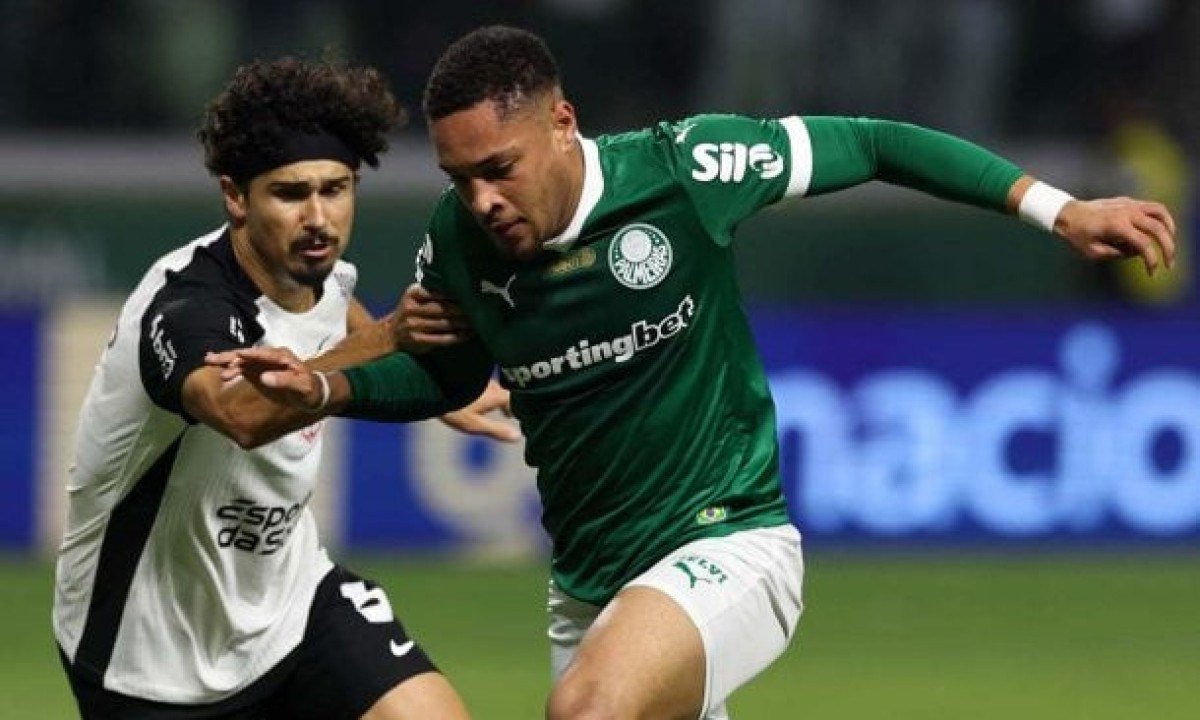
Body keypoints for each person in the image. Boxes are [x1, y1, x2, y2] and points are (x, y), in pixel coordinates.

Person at [219, 26, 1177, 719]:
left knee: (588, 711)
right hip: (589, 587)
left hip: (730, 540)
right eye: (459, 178)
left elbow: (874, 143)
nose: (481, 198)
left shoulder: (684, 170)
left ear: (562, 123)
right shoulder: (460, 240)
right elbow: (445, 380)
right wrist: (329, 387)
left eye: (499, 168)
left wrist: (1059, 210)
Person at [50, 55, 518, 720]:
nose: (320, 217)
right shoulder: (186, 308)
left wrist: (433, 391)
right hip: (147, 655)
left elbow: (336, 312)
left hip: (292, 605)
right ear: (236, 197)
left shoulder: (321, 274)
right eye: (291, 193)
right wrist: (389, 339)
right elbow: (240, 413)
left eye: (336, 188)